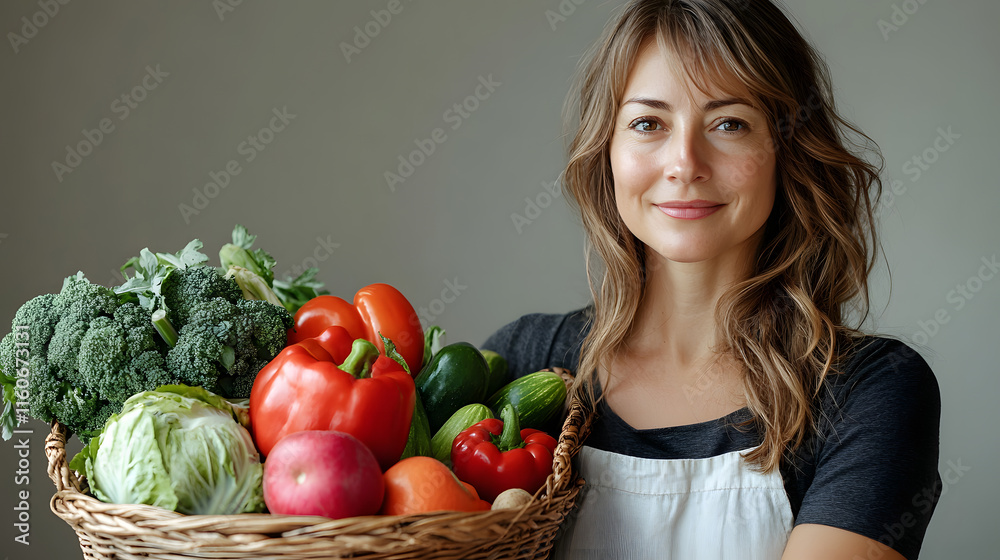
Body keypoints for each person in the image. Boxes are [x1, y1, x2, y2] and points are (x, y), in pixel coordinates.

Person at [480, 0, 942, 558]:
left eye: (729, 123)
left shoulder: (870, 392)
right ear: (609, 151)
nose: (685, 162)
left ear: (785, 148)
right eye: (648, 123)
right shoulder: (522, 365)